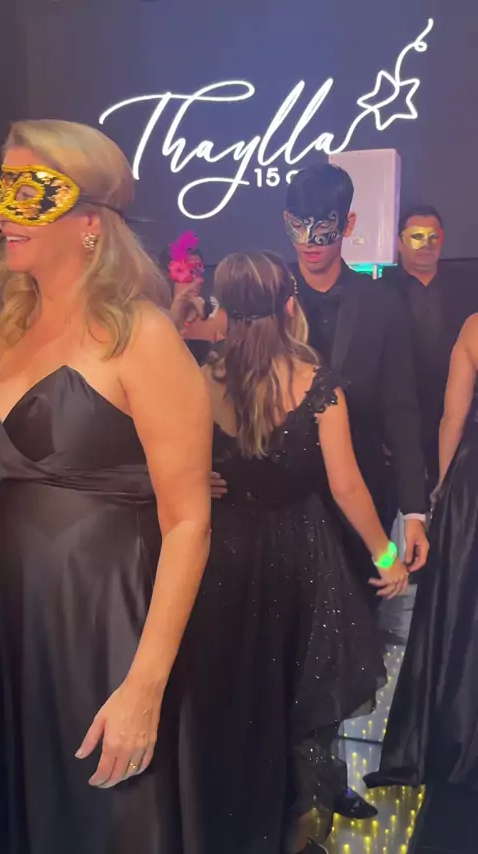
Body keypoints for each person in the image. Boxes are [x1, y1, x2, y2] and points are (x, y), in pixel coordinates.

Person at [0, 119, 211, 854]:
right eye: (2, 187)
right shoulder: (5, 326)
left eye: (29, 192)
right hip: (15, 624)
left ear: (90, 221)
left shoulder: (141, 335)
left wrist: (145, 685)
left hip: (102, 627)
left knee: (102, 823)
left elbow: (188, 523)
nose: (5, 211)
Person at [212, 165, 429, 819]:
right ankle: (282, 792)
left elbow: (403, 410)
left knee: (334, 650)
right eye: (298, 228)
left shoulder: (383, 302)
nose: (310, 242)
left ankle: (322, 781)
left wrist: (414, 509)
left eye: (324, 229)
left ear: (349, 225)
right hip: (271, 508)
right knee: (270, 649)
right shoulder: (263, 292)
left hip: (354, 500)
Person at [185, 249, 409, 853]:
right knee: (296, 699)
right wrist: (386, 555)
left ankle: (236, 822)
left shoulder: (201, 379)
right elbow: (347, 486)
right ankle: (291, 831)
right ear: (289, 306)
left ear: (223, 310)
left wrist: (200, 478)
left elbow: (178, 465)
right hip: (301, 557)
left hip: (226, 553)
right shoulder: (315, 382)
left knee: (237, 692)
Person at [365, 314, 478, 791]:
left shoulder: (474, 328)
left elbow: (453, 418)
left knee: (464, 611)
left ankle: (455, 737)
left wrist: (442, 492)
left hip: (474, 485)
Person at [382, 205, 478, 493]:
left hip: (461, 418)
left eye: (433, 236)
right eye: (416, 236)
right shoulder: (378, 291)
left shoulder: (469, 285)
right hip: (401, 419)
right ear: (399, 241)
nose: (426, 244)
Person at [162, 231, 227, 364]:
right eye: (190, 272)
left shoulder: (216, 317)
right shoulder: (154, 319)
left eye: (199, 272)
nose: (198, 280)